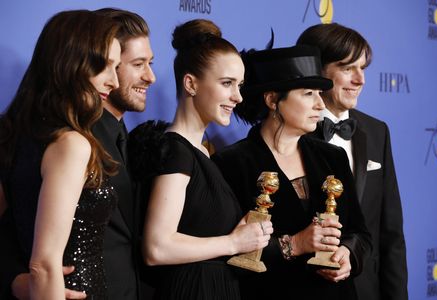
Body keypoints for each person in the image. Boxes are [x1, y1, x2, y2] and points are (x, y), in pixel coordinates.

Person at [0, 8, 157, 300]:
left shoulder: (24, 130)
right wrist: (22, 282)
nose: (112, 80)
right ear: (72, 63)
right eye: (107, 66)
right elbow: (43, 263)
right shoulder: (72, 142)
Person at [212, 44, 371, 299]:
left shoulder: (333, 157)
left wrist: (348, 254)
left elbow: (360, 234)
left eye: (320, 93)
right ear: (272, 99)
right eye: (308, 93)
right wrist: (294, 244)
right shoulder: (231, 163)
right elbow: (227, 251)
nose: (320, 104)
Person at [129, 19, 273, 300]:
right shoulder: (176, 151)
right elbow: (156, 248)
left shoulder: (201, 151)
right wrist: (232, 242)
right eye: (227, 83)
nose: (238, 96)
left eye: (240, 85)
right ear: (191, 83)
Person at [296, 23, 408, 300]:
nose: (361, 80)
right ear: (317, 70)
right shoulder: (289, 134)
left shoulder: (377, 131)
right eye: (348, 68)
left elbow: (390, 232)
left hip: (367, 290)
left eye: (363, 68)